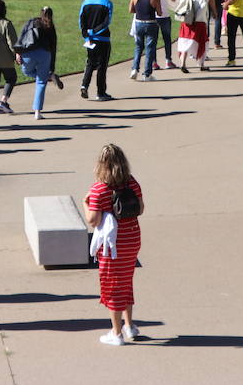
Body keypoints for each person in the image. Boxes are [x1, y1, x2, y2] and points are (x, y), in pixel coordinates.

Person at [85, 144, 144, 345]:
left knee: (113, 287)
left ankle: (116, 333)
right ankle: (129, 326)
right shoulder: (132, 183)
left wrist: (86, 203)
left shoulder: (100, 188)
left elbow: (93, 220)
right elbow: (141, 208)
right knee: (126, 281)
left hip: (112, 245)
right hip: (132, 239)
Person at [16, 6, 60, 119]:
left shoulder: (32, 22)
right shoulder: (51, 27)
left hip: (28, 53)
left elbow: (22, 37)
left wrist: (18, 52)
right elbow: (53, 47)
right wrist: (52, 67)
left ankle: (48, 76)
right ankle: (37, 112)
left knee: (26, 71)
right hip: (44, 54)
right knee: (41, 82)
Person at [174, 0, 214, 72]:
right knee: (202, 42)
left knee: (185, 41)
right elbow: (203, 9)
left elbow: (182, 3)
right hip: (199, 22)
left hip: (187, 20)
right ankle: (201, 64)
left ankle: (183, 63)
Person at [79, 0, 114, 101]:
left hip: (90, 39)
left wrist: (86, 34)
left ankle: (84, 85)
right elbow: (106, 22)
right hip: (102, 38)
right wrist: (95, 31)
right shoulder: (107, 3)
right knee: (101, 66)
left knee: (90, 63)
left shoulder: (86, 2)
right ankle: (100, 92)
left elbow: (81, 21)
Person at [152, 0, 178, 69]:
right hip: (164, 15)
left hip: (153, 16)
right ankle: (168, 60)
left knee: (153, 40)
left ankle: (153, 61)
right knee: (167, 39)